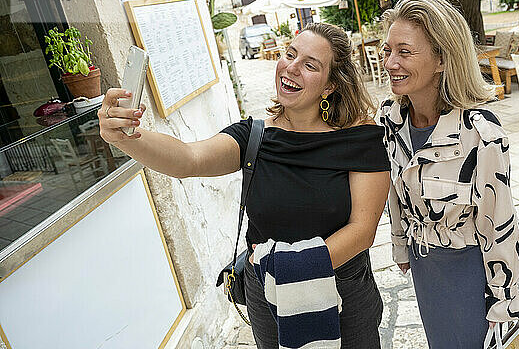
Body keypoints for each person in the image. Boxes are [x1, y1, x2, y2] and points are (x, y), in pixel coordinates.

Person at [98, 22, 390, 348]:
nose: (290, 68)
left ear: (330, 86)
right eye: (289, 55)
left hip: (342, 287)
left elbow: (363, 231)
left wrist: (285, 266)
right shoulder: (254, 137)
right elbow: (188, 160)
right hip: (265, 290)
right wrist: (126, 137)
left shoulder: (359, 138)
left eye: (309, 65)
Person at [377, 0, 519, 349]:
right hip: (424, 266)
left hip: (469, 272)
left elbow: (500, 222)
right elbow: (394, 194)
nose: (390, 63)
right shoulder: (389, 119)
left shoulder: (482, 134)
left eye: (405, 52)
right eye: (387, 51)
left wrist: (505, 300)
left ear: (442, 58)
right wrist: (401, 247)